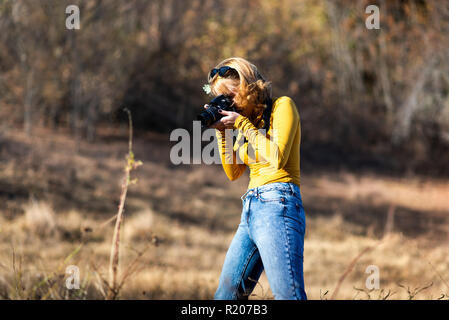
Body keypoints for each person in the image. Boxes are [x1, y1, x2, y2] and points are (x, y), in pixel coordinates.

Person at [205, 57, 307, 300]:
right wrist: (224, 133)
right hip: (250, 209)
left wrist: (240, 124)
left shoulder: (283, 106)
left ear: (248, 87)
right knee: (226, 297)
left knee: (288, 295)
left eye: (230, 96)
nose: (228, 104)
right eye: (222, 99)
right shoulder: (247, 123)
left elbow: (276, 157)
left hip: (278, 203)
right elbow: (233, 173)